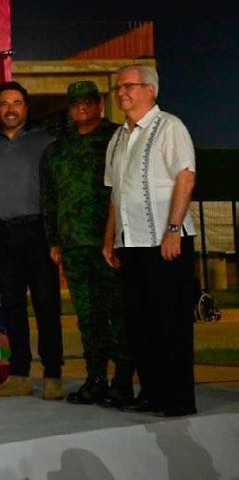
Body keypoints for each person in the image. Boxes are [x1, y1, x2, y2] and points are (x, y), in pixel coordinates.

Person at [103, 65, 197, 417]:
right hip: (130, 244)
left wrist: (173, 230)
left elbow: (185, 178)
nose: (122, 92)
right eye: (118, 87)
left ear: (150, 90)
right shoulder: (119, 137)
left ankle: (178, 399)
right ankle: (153, 393)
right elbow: (116, 194)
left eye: (129, 86)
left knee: (170, 321)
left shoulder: (169, 127)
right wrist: (110, 239)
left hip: (164, 242)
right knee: (139, 324)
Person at [41, 81, 133, 407]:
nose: (81, 107)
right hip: (74, 245)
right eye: (75, 103)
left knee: (118, 314)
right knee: (88, 316)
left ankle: (123, 380)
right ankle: (95, 379)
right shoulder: (57, 149)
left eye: (87, 101)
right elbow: (50, 199)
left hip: (109, 243)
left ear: (99, 104)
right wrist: (55, 241)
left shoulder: (117, 139)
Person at [0, 81, 64, 400]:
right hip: (2, 233)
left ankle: (52, 374)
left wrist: (57, 237)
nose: (10, 109)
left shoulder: (47, 143)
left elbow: (58, 193)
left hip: (38, 232)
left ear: (26, 108)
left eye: (16, 103)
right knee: (12, 306)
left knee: (46, 304)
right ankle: (19, 374)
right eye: (4, 104)